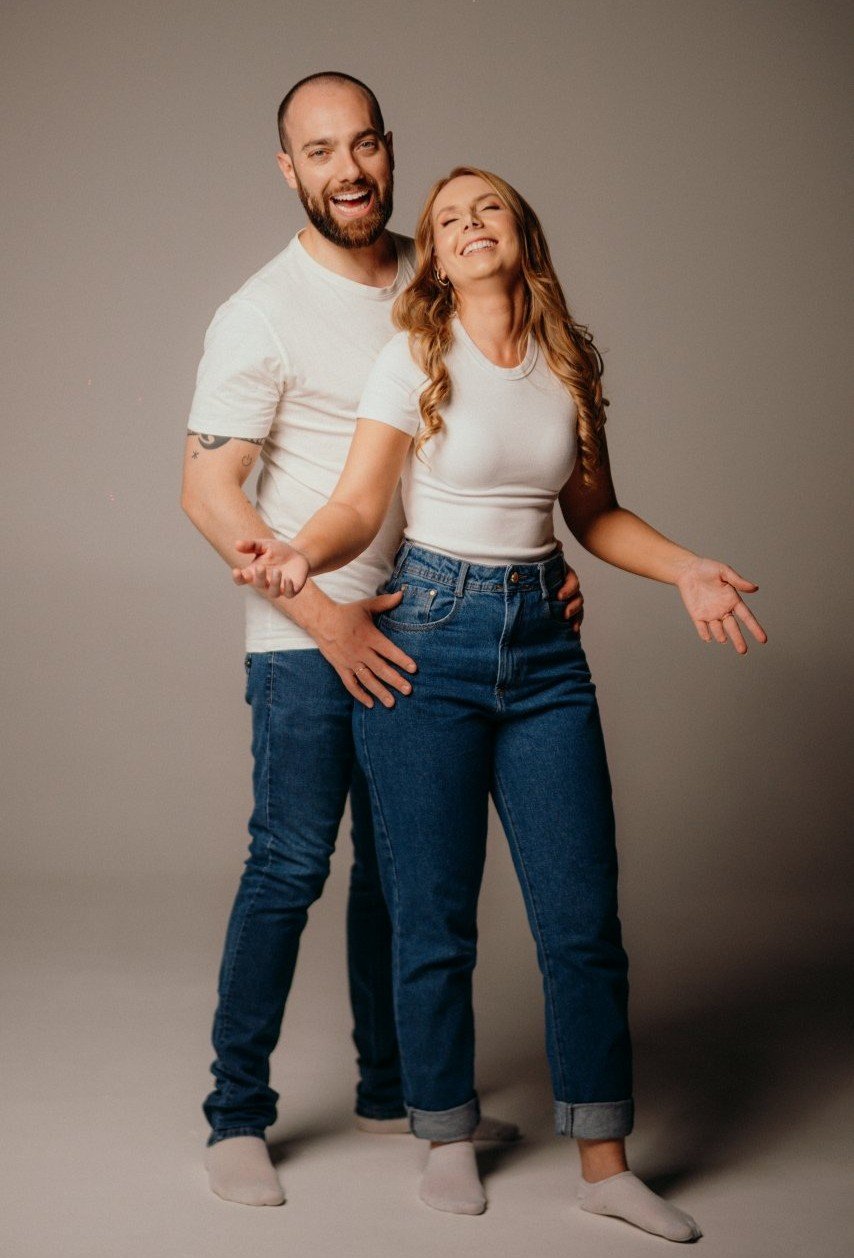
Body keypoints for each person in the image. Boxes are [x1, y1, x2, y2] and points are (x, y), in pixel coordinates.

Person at [232, 165, 767, 1240]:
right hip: (429, 640)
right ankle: (443, 1133)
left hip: (545, 648)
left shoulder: (569, 361)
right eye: (447, 218)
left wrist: (687, 569)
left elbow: (593, 515)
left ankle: (605, 1163)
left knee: (583, 922)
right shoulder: (412, 355)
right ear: (432, 255)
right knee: (433, 917)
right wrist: (297, 554)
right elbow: (356, 505)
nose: (470, 224)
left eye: (489, 209)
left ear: (522, 232)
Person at [181, 81, 576, 1207]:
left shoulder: (437, 270)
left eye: (362, 145)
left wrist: (538, 564)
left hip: (433, 618)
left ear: (389, 152)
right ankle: (235, 1114)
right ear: (289, 170)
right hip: (311, 629)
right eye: (319, 152)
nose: (346, 169)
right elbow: (206, 491)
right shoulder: (260, 312)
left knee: (399, 871)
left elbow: (504, 421)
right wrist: (325, 616)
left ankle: (392, 1085)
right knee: (291, 861)